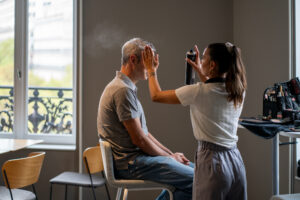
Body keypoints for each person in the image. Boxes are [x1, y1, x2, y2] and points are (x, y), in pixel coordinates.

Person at [142, 42, 247, 200]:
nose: (201, 60)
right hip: (235, 162)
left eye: (204, 58)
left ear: (212, 65)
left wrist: (151, 70)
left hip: (212, 162)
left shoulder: (197, 92)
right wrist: (201, 69)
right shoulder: (238, 90)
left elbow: (156, 95)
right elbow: (212, 89)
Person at [97, 38, 194, 200]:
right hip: (131, 164)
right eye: (147, 61)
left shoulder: (126, 88)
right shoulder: (122, 90)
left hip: (138, 160)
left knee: (198, 174)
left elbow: (144, 134)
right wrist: (169, 158)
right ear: (133, 60)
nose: (151, 67)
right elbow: (140, 140)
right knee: (197, 181)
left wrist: (171, 154)